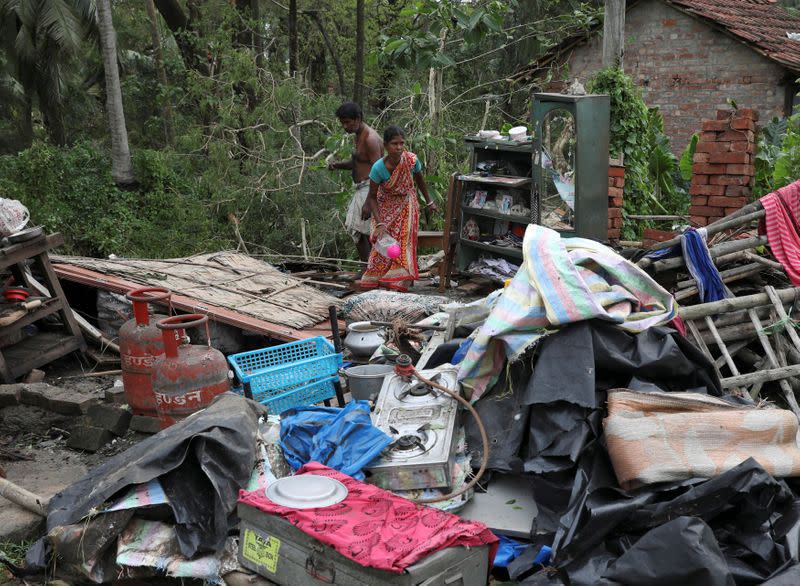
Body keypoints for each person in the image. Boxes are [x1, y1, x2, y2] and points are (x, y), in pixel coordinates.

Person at [358, 126, 438, 292]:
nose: (399, 147)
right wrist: (379, 223)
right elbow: (372, 197)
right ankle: (381, 277)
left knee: (404, 239)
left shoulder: (411, 161)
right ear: (386, 145)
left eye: (402, 143)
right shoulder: (378, 168)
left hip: (407, 202)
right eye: (395, 144)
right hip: (385, 204)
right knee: (384, 241)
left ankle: (400, 280)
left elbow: (421, 182)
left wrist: (429, 202)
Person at [327, 102, 383, 262]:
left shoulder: (370, 139)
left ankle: (370, 268)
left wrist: (368, 202)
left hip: (369, 189)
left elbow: (378, 171)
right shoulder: (358, 136)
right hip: (361, 188)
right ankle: (368, 267)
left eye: (347, 122)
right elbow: (358, 163)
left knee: (364, 231)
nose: (345, 126)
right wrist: (337, 165)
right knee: (357, 230)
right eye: (342, 123)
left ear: (357, 119)